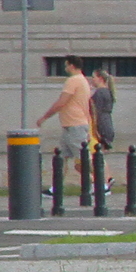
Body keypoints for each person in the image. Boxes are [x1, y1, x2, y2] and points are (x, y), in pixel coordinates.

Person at [34, 58, 93, 197]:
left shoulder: (73, 81)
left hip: (75, 125)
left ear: (71, 66)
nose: (65, 67)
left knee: (84, 158)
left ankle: (101, 184)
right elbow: (86, 106)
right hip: (71, 125)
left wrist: (45, 117)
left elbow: (62, 102)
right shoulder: (84, 80)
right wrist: (89, 126)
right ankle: (56, 188)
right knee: (63, 158)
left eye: (66, 65)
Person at [88, 64, 117, 147]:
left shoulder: (100, 93)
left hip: (101, 125)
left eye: (94, 77)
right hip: (107, 123)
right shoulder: (107, 92)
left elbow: (96, 111)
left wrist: (95, 129)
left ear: (100, 79)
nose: (92, 80)